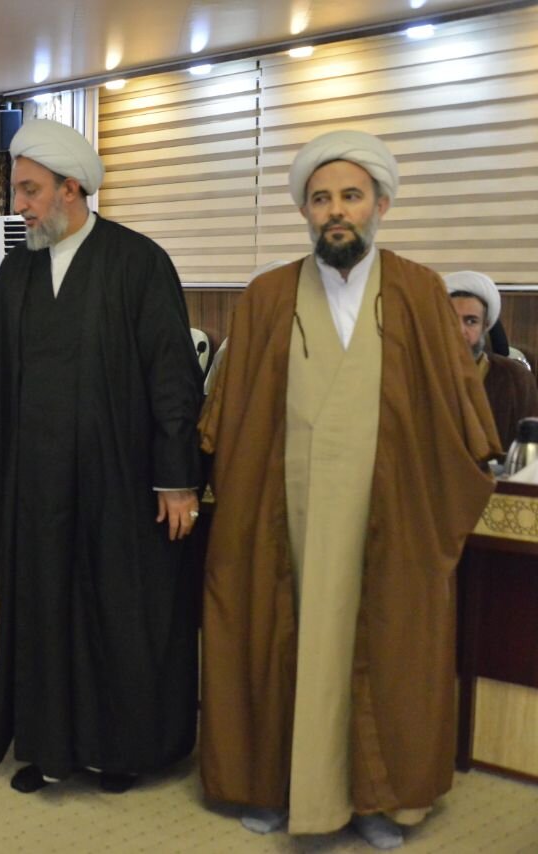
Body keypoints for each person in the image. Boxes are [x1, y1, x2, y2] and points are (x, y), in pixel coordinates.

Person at [199, 130, 500, 850]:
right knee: (275, 634)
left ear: (380, 205)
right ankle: (272, 786)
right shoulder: (268, 295)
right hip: (283, 509)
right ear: (306, 211)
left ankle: (375, 797)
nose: (336, 210)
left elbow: (456, 409)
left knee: (388, 645)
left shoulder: (420, 291)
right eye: (322, 198)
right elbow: (233, 415)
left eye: (351, 196)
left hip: (390, 509)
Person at [0, 119, 203, 795]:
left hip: (119, 486)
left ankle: (117, 754)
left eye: (30, 190)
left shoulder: (138, 262)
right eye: (18, 191)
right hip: (36, 489)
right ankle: (48, 750)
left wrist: (176, 480)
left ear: (71, 189)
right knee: (44, 614)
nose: (19, 205)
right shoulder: (16, 271)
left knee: (114, 613)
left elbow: (173, 382)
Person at [445, 270, 538, 450]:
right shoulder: (416, 375)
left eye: (471, 321)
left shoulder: (516, 379)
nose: (460, 331)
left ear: (485, 326)